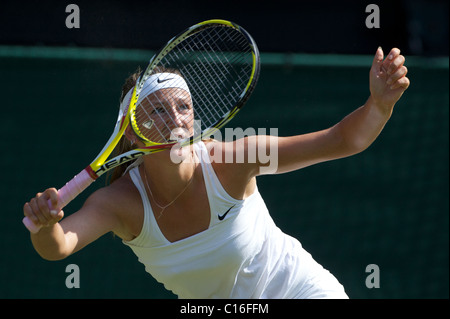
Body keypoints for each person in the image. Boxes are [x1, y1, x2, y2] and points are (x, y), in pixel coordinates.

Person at [23, 47, 409, 298]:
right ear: (132, 134)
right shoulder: (119, 203)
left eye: (184, 108)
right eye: (158, 111)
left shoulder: (235, 160)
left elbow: (341, 140)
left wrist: (379, 103)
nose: (176, 119)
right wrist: (44, 224)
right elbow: (58, 246)